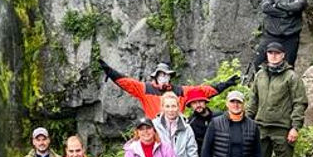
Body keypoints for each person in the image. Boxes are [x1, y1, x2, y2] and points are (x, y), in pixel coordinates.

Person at [248, 43, 309, 157]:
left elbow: (299, 102)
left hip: (282, 128)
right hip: (260, 127)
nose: (273, 56)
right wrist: (247, 123)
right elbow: (253, 101)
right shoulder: (260, 75)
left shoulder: (291, 77)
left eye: (277, 53)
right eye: (270, 53)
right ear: (267, 55)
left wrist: (295, 127)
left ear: (283, 55)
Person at [98, 58, 238, 120]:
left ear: (170, 76)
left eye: (166, 75)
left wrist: (225, 84)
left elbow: (203, 91)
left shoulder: (180, 91)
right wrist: (109, 71)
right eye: (161, 75)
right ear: (156, 76)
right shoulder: (145, 89)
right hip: (155, 133)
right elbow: (126, 82)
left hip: (176, 132)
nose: (163, 78)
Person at [249, 0, 307, 74]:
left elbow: (297, 6)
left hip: (290, 36)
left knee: (288, 66)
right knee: (258, 61)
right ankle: (263, 83)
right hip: (271, 34)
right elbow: (265, 7)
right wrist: (286, 13)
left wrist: (278, 5)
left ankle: (285, 87)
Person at [182, 87, 219, 152]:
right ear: (190, 105)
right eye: (194, 103)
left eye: (200, 101)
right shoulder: (189, 123)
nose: (198, 105)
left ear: (205, 102)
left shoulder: (219, 116)